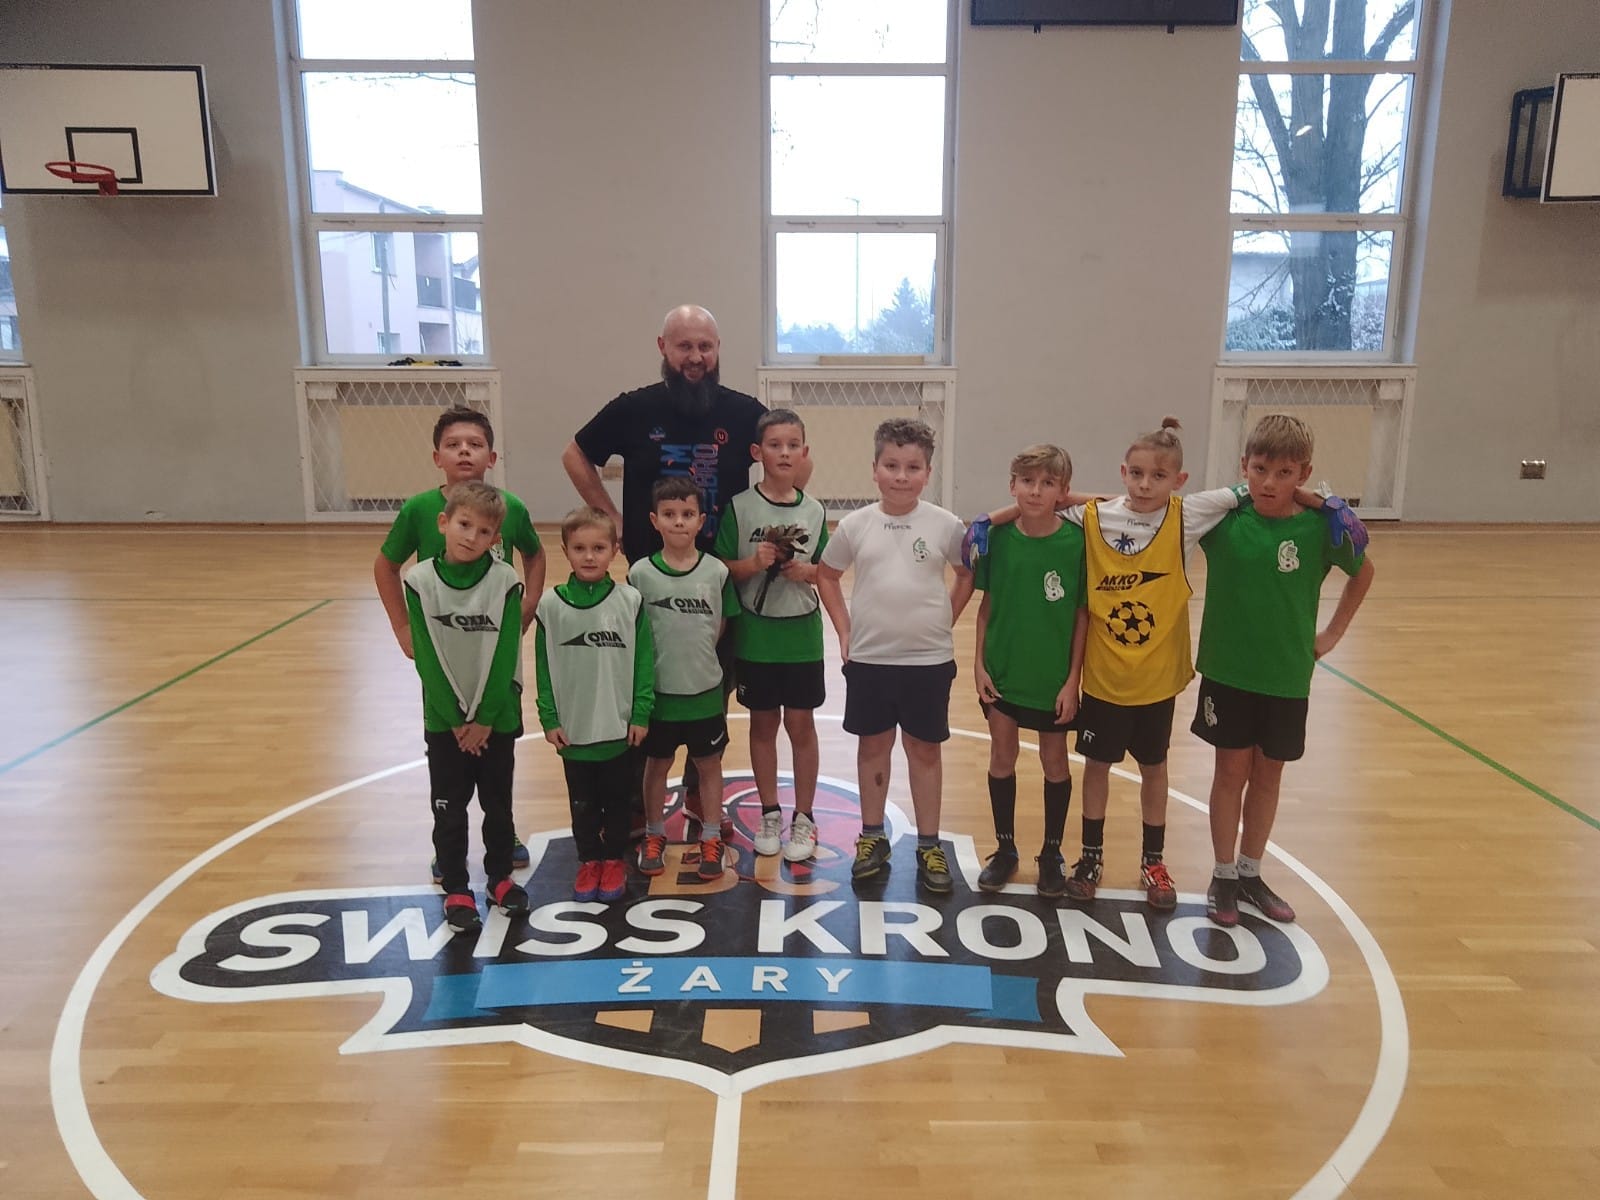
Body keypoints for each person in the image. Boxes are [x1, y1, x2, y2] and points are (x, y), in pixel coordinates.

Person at [965, 418, 1367, 912]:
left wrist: (1326, 504)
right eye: (1135, 475)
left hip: (1159, 679)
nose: (1144, 485)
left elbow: (1255, 488)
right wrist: (989, 518)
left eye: (1158, 477)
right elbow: (1050, 501)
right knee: (1097, 768)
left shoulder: (1191, 513)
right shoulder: (1099, 516)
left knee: (1155, 770)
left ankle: (1154, 862)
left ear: (1179, 481)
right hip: (1105, 677)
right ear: (1123, 473)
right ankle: (1089, 858)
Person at [560, 305, 812, 834]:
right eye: (684, 347)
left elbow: (793, 454)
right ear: (663, 348)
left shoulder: (742, 411)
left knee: (711, 681)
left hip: (721, 575)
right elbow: (575, 455)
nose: (696, 357)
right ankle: (637, 802)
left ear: (718, 350)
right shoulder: (634, 408)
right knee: (644, 682)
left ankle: (700, 793)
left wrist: (778, 507)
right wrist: (611, 517)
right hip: (651, 577)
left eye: (705, 347)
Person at [1192, 414, 1374, 927]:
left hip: (1287, 676)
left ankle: (1251, 872)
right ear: (1243, 466)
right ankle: (1224, 875)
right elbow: (1148, 507)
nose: (1269, 483)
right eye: (1260, 469)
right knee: (1230, 773)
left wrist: (1331, 634)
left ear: (1304, 473)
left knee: (1268, 774)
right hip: (1228, 671)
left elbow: (1364, 572)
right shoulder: (1224, 520)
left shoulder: (1319, 528)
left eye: (1285, 473)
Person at [375, 405, 545, 882]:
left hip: (492, 649)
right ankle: (448, 847)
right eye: (453, 445)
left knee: (499, 755)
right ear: (437, 457)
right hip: (445, 651)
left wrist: (528, 604)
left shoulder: (509, 508)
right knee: (448, 750)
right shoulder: (419, 510)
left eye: (475, 444)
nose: (464, 451)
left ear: (492, 456)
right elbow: (386, 565)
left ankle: (503, 835)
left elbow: (534, 554)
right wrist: (402, 627)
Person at [817, 418, 974, 894]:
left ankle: (929, 844)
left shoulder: (946, 525)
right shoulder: (855, 525)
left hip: (927, 662)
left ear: (928, 473)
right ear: (874, 469)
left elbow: (966, 574)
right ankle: (872, 837)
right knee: (873, 747)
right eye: (891, 466)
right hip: (870, 660)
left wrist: (944, 620)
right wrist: (844, 630)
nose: (901, 476)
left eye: (912, 467)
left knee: (924, 751)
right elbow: (826, 575)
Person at [401, 482, 530, 935]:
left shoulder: (506, 581)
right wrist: (457, 719)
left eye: (484, 531)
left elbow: (506, 655)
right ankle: (456, 886)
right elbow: (427, 657)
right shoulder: (419, 583)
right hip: (445, 723)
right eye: (464, 524)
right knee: (449, 810)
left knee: (498, 807)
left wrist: (486, 718)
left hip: (497, 719)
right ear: (444, 523)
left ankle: (500, 878)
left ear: (496, 539)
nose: (472, 536)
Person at [972, 445, 1088, 898]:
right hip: (1002, 670)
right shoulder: (998, 538)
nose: (1036, 491)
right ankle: (1005, 850)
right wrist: (979, 664)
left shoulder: (1076, 542)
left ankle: (1051, 853)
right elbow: (986, 606)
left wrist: (1073, 680)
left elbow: (1081, 615)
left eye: (1047, 483)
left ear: (1063, 491)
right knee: (1002, 755)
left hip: (1051, 678)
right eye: (1027, 481)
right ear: (1012, 485)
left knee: (1054, 762)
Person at [714, 409, 830, 862]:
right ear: (757, 452)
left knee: (801, 725)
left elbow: (828, 572)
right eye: (775, 445)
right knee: (763, 725)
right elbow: (721, 567)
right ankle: (769, 811)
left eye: (793, 445)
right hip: (756, 638)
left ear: (805, 452)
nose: (784, 453)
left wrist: (807, 571)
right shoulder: (740, 508)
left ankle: (804, 817)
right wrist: (753, 563)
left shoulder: (815, 511)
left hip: (801, 637)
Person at [534, 507, 654, 903]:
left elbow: (643, 662)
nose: (589, 556)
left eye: (599, 548)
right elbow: (543, 665)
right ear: (565, 550)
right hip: (574, 730)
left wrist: (640, 712)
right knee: (582, 804)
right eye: (580, 548)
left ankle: (614, 860)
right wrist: (549, 717)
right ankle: (589, 860)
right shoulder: (551, 606)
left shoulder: (630, 601)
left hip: (618, 728)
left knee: (618, 803)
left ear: (614, 551)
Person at [628, 478, 738, 882]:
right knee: (657, 765)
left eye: (687, 514)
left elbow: (721, 623)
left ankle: (710, 836)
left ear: (701, 521)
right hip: (659, 694)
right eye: (670, 515)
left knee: (708, 765)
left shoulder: (716, 571)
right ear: (654, 520)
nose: (679, 522)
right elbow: (634, 631)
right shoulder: (641, 573)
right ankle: (654, 833)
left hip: (704, 692)